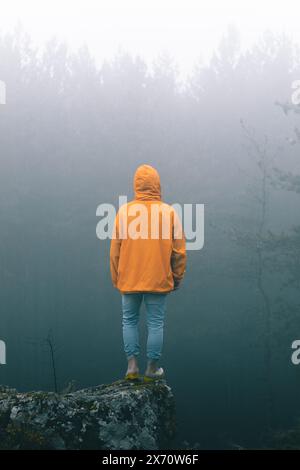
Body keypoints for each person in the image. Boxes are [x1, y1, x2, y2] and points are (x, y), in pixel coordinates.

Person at [110, 164, 186, 381]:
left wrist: (117, 277)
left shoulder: (124, 212)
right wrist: (177, 277)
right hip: (158, 278)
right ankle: (152, 368)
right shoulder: (169, 212)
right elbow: (179, 251)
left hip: (129, 278)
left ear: (136, 185)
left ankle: (131, 366)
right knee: (155, 323)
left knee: (129, 320)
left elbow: (115, 249)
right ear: (157, 184)